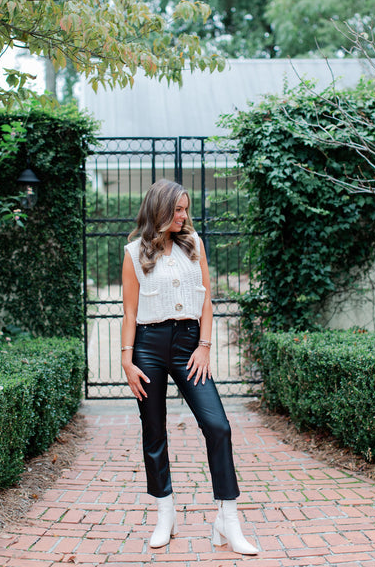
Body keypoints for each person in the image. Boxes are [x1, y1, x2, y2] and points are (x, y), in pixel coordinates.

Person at [121, 179, 258, 555]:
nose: (184, 216)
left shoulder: (195, 246)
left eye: (185, 209)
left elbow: (207, 302)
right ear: (159, 210)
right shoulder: (134, 253)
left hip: (188, 346)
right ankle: (165, 513)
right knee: (154, 430)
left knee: (218, 425)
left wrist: (205, 347)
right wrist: (126, 359)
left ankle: (227, 519)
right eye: (178, 210)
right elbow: (130, 312)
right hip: (148, 347)